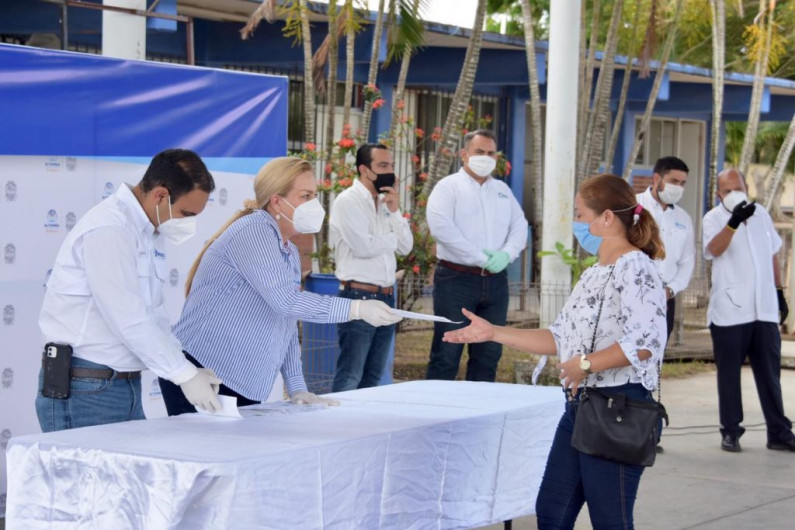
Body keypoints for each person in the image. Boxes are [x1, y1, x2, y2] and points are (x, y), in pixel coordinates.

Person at [444, 174, 667, 528]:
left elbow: (645, 342)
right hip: (579, 407)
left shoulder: (636, 267)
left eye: (580, 215)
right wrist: (493, 332)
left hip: (617, 408)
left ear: (607, 218)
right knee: (552, 512)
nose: (575, 224)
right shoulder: (595, 272)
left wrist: (585, 364)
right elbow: (559, 337)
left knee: (611, 520)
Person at [158, 157, 402, 415]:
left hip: (240, 381)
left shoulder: (288, 251)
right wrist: (356, 309)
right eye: (305, 196)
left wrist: (297, 388)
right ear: (276, 201)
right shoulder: (255, 231)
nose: (314, 204)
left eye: (315, 195)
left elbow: (286, 322)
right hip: (203, 373)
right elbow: (286, 302)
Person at [36, 149, 223, 432]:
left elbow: (154, 316)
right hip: (86, 389)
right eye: (186, 214)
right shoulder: (110, 228)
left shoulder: (148, 232)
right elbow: (127, 316)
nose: (189, 224)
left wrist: (186, 366)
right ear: (160, 196)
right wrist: (183, 374)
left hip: (123, 385)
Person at [703, 168, 795, 453]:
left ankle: (779, 432)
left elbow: (772, 254)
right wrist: (732, 222)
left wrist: (778, 293)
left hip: (763, 309)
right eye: (727, 190)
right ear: (718, 194)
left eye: (738, 188)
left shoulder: (761, 215)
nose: (734, 194)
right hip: (730, 311)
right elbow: (713, 250)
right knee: (729, 375)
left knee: (770, 374)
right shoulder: (713, 218)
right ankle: (731, 431)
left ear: (746, 188)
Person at [425, 129, 528, 382]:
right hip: (456, 280)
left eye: (491, 153)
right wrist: (481, 258)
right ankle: (436, 406)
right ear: (464, 154)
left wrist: (506, 255)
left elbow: (519, 226)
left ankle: (479, 405)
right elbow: (442, 229)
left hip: (496, 282)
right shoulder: (448, 187)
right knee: (447, 354)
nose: (486, 157)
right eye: (479, 151)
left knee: (489, 354)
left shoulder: (502, 190)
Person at [329, 144, 413, 392]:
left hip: (387, 296)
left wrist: (395, 212)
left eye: (392, 165)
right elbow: (363, 247)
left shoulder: (387, 202)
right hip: (357, 296)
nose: (390, 172)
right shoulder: (348, 201)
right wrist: (391, 239)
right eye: (383, 165)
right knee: (351, 375)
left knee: (374, 377)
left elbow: (406, 247)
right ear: (364, 169)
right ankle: (340, 418)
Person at [636, 156, 695, 339]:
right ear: (657, 179)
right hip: (633, 295)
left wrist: (670, 290)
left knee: (658, 350)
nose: (678, 187)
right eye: (674, 181)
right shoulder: (633, 206)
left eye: (682, 183)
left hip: (665, 300)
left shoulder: (684, 218)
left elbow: (687, 262)